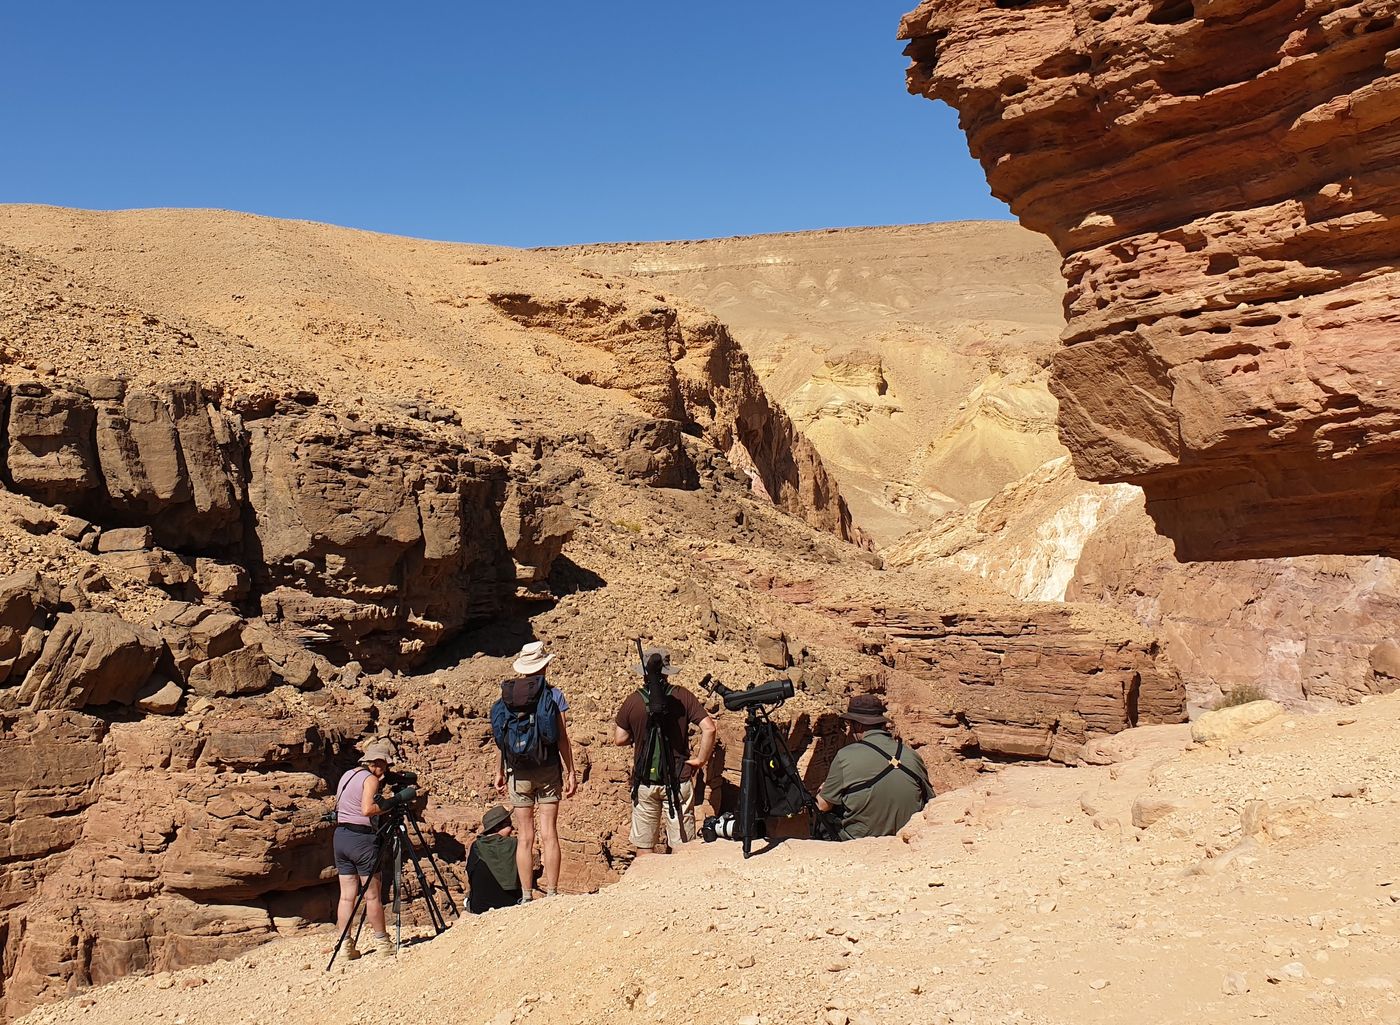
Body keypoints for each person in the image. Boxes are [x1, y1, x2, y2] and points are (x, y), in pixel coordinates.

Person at [493, 640, 577, 901]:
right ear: (545, 665)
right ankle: (552, 893)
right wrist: (571, 770)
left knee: (525, 836)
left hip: (518, 773)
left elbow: (501, 739)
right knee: (549, 832)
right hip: (548, 769)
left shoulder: (507, 698)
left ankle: (527, 895)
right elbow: (562, 737)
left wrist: (499, 770)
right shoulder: (554, 695)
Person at [614, 647, 716, 856]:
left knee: (644, 847)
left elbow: (619, 738)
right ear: (667, 671)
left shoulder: (633, 701)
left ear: (644, 673)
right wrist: (700, 760)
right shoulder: (683, 697)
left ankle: (646, 886)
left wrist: (639, 733)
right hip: (678, 779)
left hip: (645, 781)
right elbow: (709, 728)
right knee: (682, 847)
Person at [816, 695, 932, 840]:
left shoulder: (845, 756)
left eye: (850, 725)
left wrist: (823, 791)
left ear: (858, 725)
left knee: (821, 819)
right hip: (906, 838)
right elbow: (930, 800)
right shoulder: (912, 755)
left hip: (860, 841)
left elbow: (823, 806)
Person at [332, 739, 397, 958]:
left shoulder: (347, 775)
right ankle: (383, 943)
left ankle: (344, 946)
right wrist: (390, 803)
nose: (385, 770)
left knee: (346, 896)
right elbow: (367, 809)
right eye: (385, 765)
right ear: (377, 763)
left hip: (341, 837)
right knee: (372, 895)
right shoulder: (370, 779)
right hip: (361, 840)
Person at [466, 805, 523, 913]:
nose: (513, 828)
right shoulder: (513, 844)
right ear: (497, 827)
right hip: (510, 905)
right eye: (509, 825)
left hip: (478, 908)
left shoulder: (475, 846)